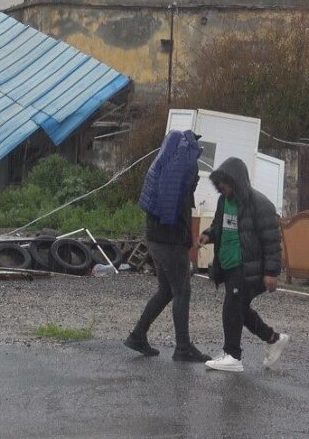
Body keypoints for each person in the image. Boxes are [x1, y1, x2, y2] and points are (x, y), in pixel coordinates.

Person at [124, 130, 210, 363]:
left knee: (166, 291)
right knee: (182, 290)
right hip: (171, 241)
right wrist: (188, 241)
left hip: (155, 238)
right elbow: (182, 209)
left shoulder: (160, 167)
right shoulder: (184, 167)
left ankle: (137, 335)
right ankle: (183, 348)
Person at [200, 157, 289, 373]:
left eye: (225, 182)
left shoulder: (260, 204)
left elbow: (271, 241)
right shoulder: (224, 202)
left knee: (232, 308)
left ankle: (233, 355)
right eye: (219, 183)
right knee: (239, 309)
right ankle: (273, 338)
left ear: (236, 180)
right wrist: (208, 234)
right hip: (228, 265)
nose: (221, 187)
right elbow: (219, 226)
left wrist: (270, 272)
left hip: (248, 268)